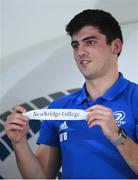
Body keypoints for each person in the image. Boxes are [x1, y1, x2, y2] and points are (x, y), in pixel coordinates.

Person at [5, 9, 138, 179]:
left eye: (90, 42)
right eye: (76, 45)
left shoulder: (135, 98)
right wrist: (19, 143)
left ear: (115, 46)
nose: (80, 52)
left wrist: (118, 136)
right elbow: (40, 178)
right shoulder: (58, 108)